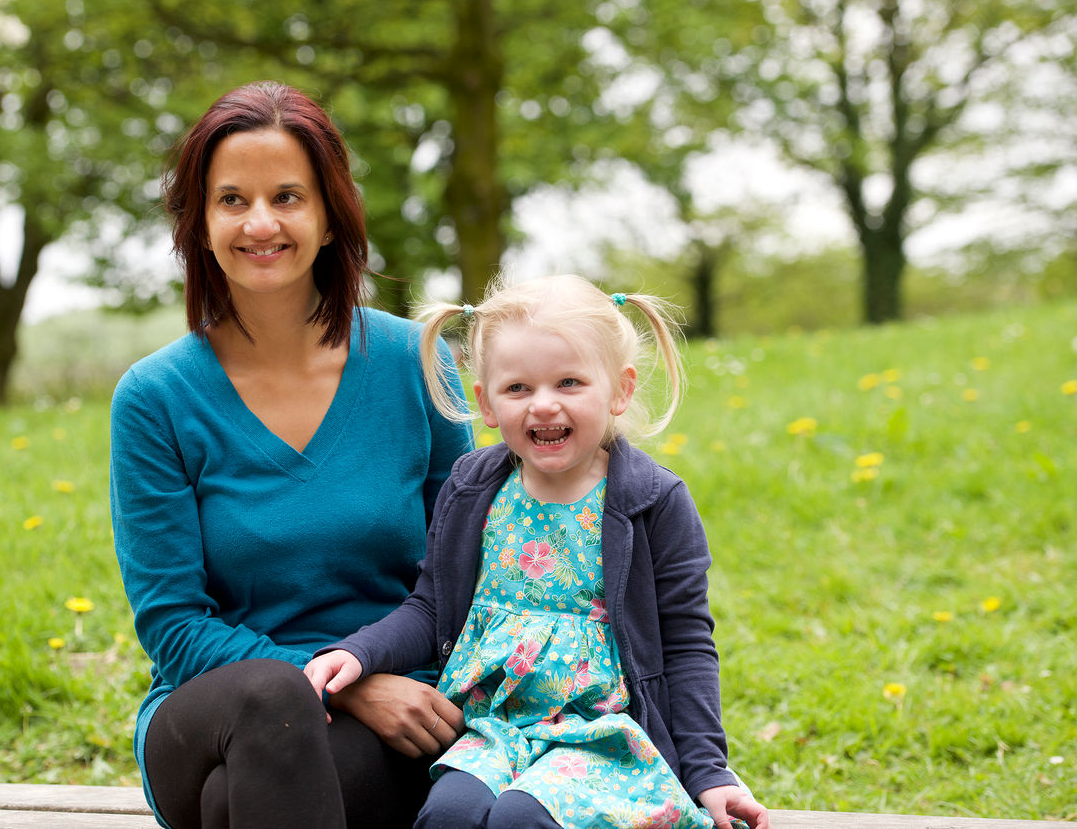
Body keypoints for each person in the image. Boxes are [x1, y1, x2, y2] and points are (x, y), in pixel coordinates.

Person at [109, 80, 474, 829]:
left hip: (401, 705)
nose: (260, 223)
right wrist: (340, 682)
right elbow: (173, 621)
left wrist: (376, 668)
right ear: (200, 223)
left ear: (330, 216)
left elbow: (466, 570)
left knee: (234, 804)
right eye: (232, 199)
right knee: (272, 703)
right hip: (212, 707)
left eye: (287, 196)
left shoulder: (416, 363)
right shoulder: (154, 398)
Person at [305, 275, 769, 829]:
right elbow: (430, 608)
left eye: (569, 382)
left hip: (603, 740)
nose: (543, 406)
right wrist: (358, 655)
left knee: (519, 821)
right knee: (449, 815)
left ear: (620, 389)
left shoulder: (651, 503)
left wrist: (708, 772)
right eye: (518, 389)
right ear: (486, 404)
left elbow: (687, 644)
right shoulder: (473, 488)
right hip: (493, 733)